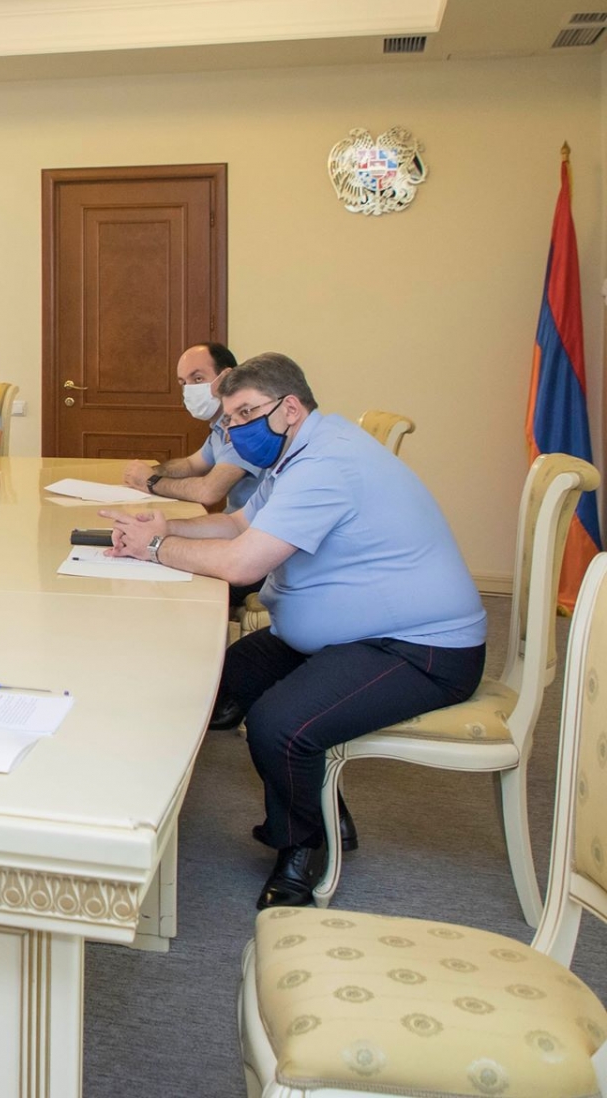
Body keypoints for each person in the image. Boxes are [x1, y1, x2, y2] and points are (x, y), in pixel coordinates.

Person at [99, 353, 485, 910]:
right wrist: (164, 527)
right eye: (230, 419)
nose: (236, 429)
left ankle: (304, 849)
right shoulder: (298, 452)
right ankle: (322, 804)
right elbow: (238, 523)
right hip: (350, 634)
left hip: (419, 647)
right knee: (218, 678)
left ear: (290, 408)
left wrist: (155, 548)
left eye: (246, 414)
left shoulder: (326, 465)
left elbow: (240, 564)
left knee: (279, 724)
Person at [122, 342, 260, 511]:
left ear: (226, 378)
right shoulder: (220, 426)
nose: (190, 389)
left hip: (252, 525)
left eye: (198, 379)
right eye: (184, 383)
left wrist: (151, 481)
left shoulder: (244, 425)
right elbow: (191, 465)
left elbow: (208, 492)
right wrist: (148, 472)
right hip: (235, 520)